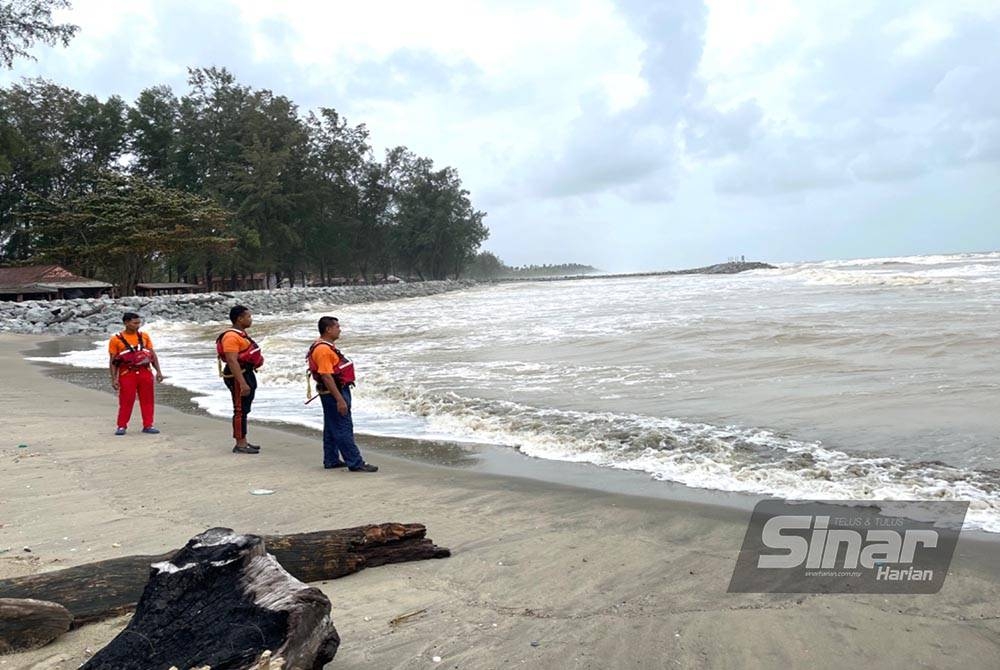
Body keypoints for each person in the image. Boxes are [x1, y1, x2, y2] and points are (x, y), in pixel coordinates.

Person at [307, 316, 378, 472]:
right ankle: (355, 462)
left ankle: (331, 459)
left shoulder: (322, 346)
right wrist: (339, 399)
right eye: (337, 327)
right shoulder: (323, 350)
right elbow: (326, 376)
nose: (340, 330)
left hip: (331, 392)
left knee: (331, 426)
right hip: (334, 392)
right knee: (342, 427)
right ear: (328, 329)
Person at [216, 305, 264, 454]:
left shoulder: (241, 334)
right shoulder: (231, 337)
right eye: (248, 317)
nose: (251, 319)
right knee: (239, 410)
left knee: (244, 409)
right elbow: (232, 360)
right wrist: (242, 383)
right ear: (239, 319)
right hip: (238, 376)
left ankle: (243, 440)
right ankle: (240, 444)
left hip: (246, 373)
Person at [108, 312, 164, 435]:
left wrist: (158, 371)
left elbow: (152, 355)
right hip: (127, 374)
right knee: (126, 400)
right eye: (135, 323)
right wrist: (114, 379)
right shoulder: (115, 339)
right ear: (126, 323)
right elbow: (113, 361)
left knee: (148, 400)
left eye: (139, 323)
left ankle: (148, 425)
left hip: (145, 372)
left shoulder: (144, 336)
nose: (138, 325)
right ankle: (121, 426)